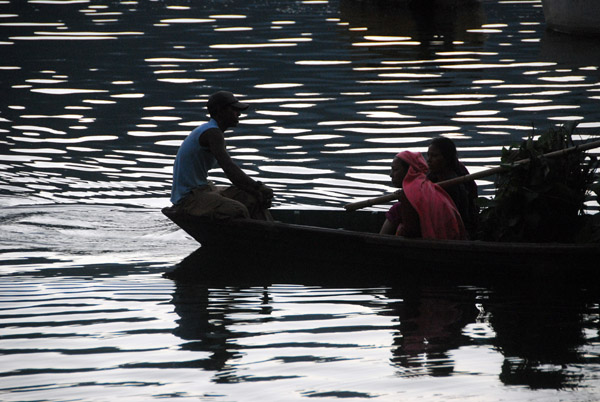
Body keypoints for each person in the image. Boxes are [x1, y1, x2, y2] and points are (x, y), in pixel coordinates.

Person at [169, 90, 273, 220]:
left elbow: (234, 174)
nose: (238, 114)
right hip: (188, 197)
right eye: (233, 110)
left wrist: (256, 192)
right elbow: (229, 169)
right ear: (220, 111)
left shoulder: (214, 132)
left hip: (204, 188)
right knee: (237, 210)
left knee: (252, 198)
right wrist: (258, 187)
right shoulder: (212, 134)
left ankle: (267, 231)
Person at [379, 151, 467, 240]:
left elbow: (411, 232)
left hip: (437, 241)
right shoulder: (424, 186)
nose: (391, 175)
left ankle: (379, 242)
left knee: (396, 210)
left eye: (395, 170)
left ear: (409, 170)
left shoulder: (411, 192)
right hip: (450, 236)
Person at [426, 137, 479, 237]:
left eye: (434, 156)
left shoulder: (454, 182)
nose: (429, 160)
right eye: (428, 155)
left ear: (447, 158)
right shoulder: (432, 175)